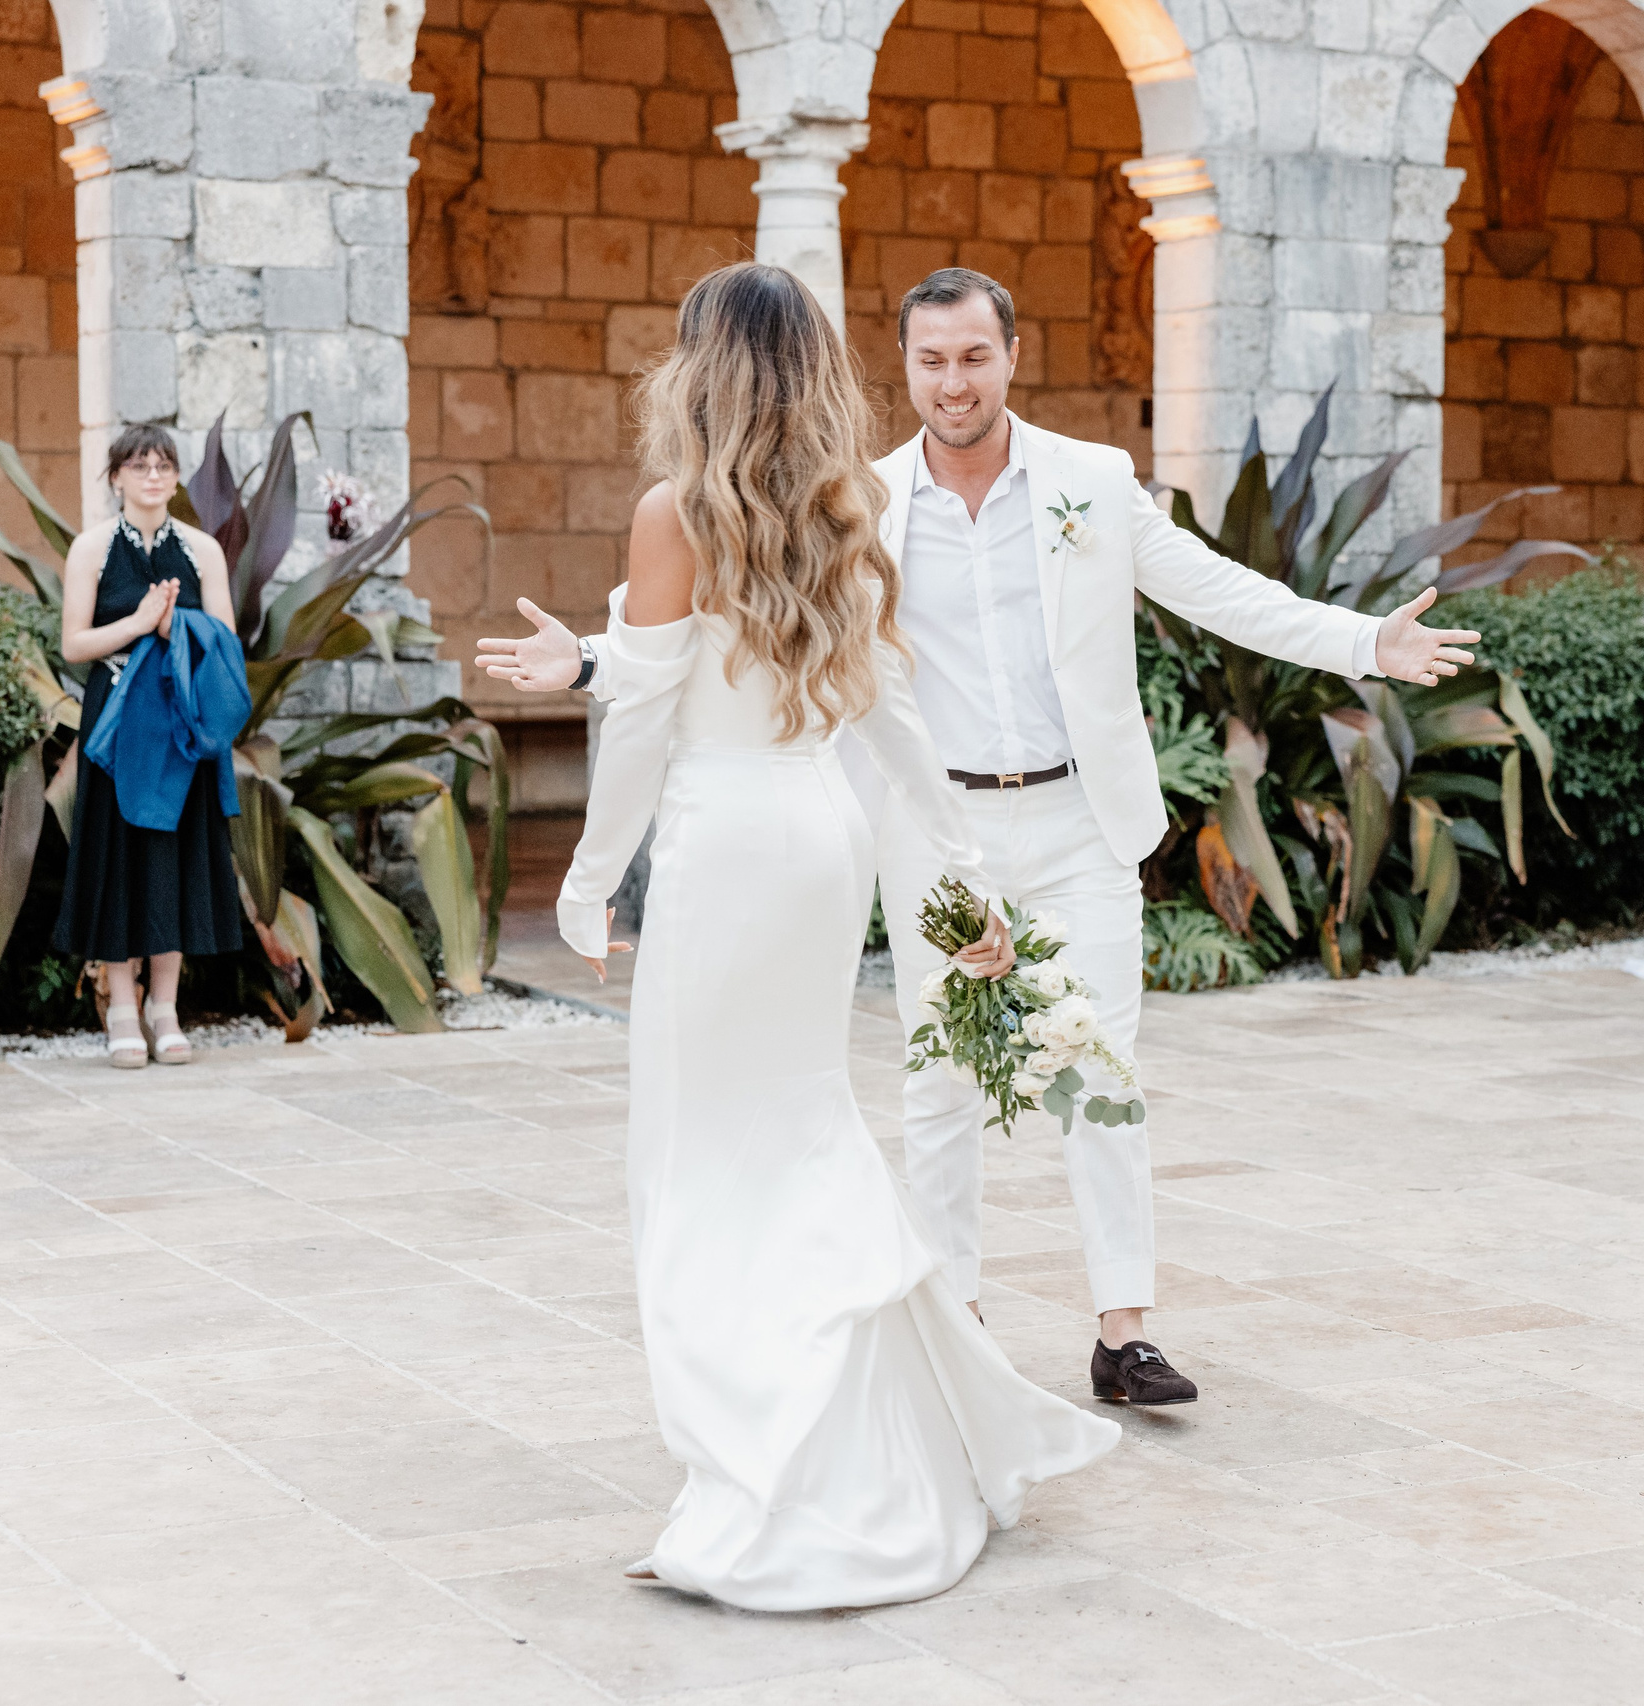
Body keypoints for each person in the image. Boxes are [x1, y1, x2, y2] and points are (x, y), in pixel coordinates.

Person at [483, 266, 1480, 1405]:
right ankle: (956, 1325)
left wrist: (1363, 644)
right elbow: (748, 637)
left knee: (1099, 1066)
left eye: (972, 357)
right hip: (929, 821)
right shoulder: (856, 499)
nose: (952, 383)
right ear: (902, 368)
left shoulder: (1090, 483)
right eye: (930, 361)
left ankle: (1124, 1331)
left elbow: (1215, 589)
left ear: (1011, 355)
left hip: (1077, 816)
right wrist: (594, 663)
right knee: (937, 1076)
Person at [551, 263, 1118, 1609]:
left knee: (697, 1152)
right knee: (806, 1126)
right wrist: (963, 874)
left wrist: (588, 879)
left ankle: (767, 1454)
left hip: (726, 851)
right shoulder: (848, 505)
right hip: (822, 845)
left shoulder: (675, 513)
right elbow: (893, 713)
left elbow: (642, 721)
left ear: (700, 367)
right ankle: (876, 1436)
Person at [52, 425, 244, 1068]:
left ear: (177, 477)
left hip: (181, 722)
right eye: (139, 466)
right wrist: (137, 624)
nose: (153, 477)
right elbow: (73, 644)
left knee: (174, 857)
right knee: (117, 855)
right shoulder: (91, 549)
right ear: (116, 478)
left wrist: (175, 627)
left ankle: (166, 1007)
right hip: (115, 722)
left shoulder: (202, 549)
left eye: (163, 466)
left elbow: (225, 642)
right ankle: (121, 1006)